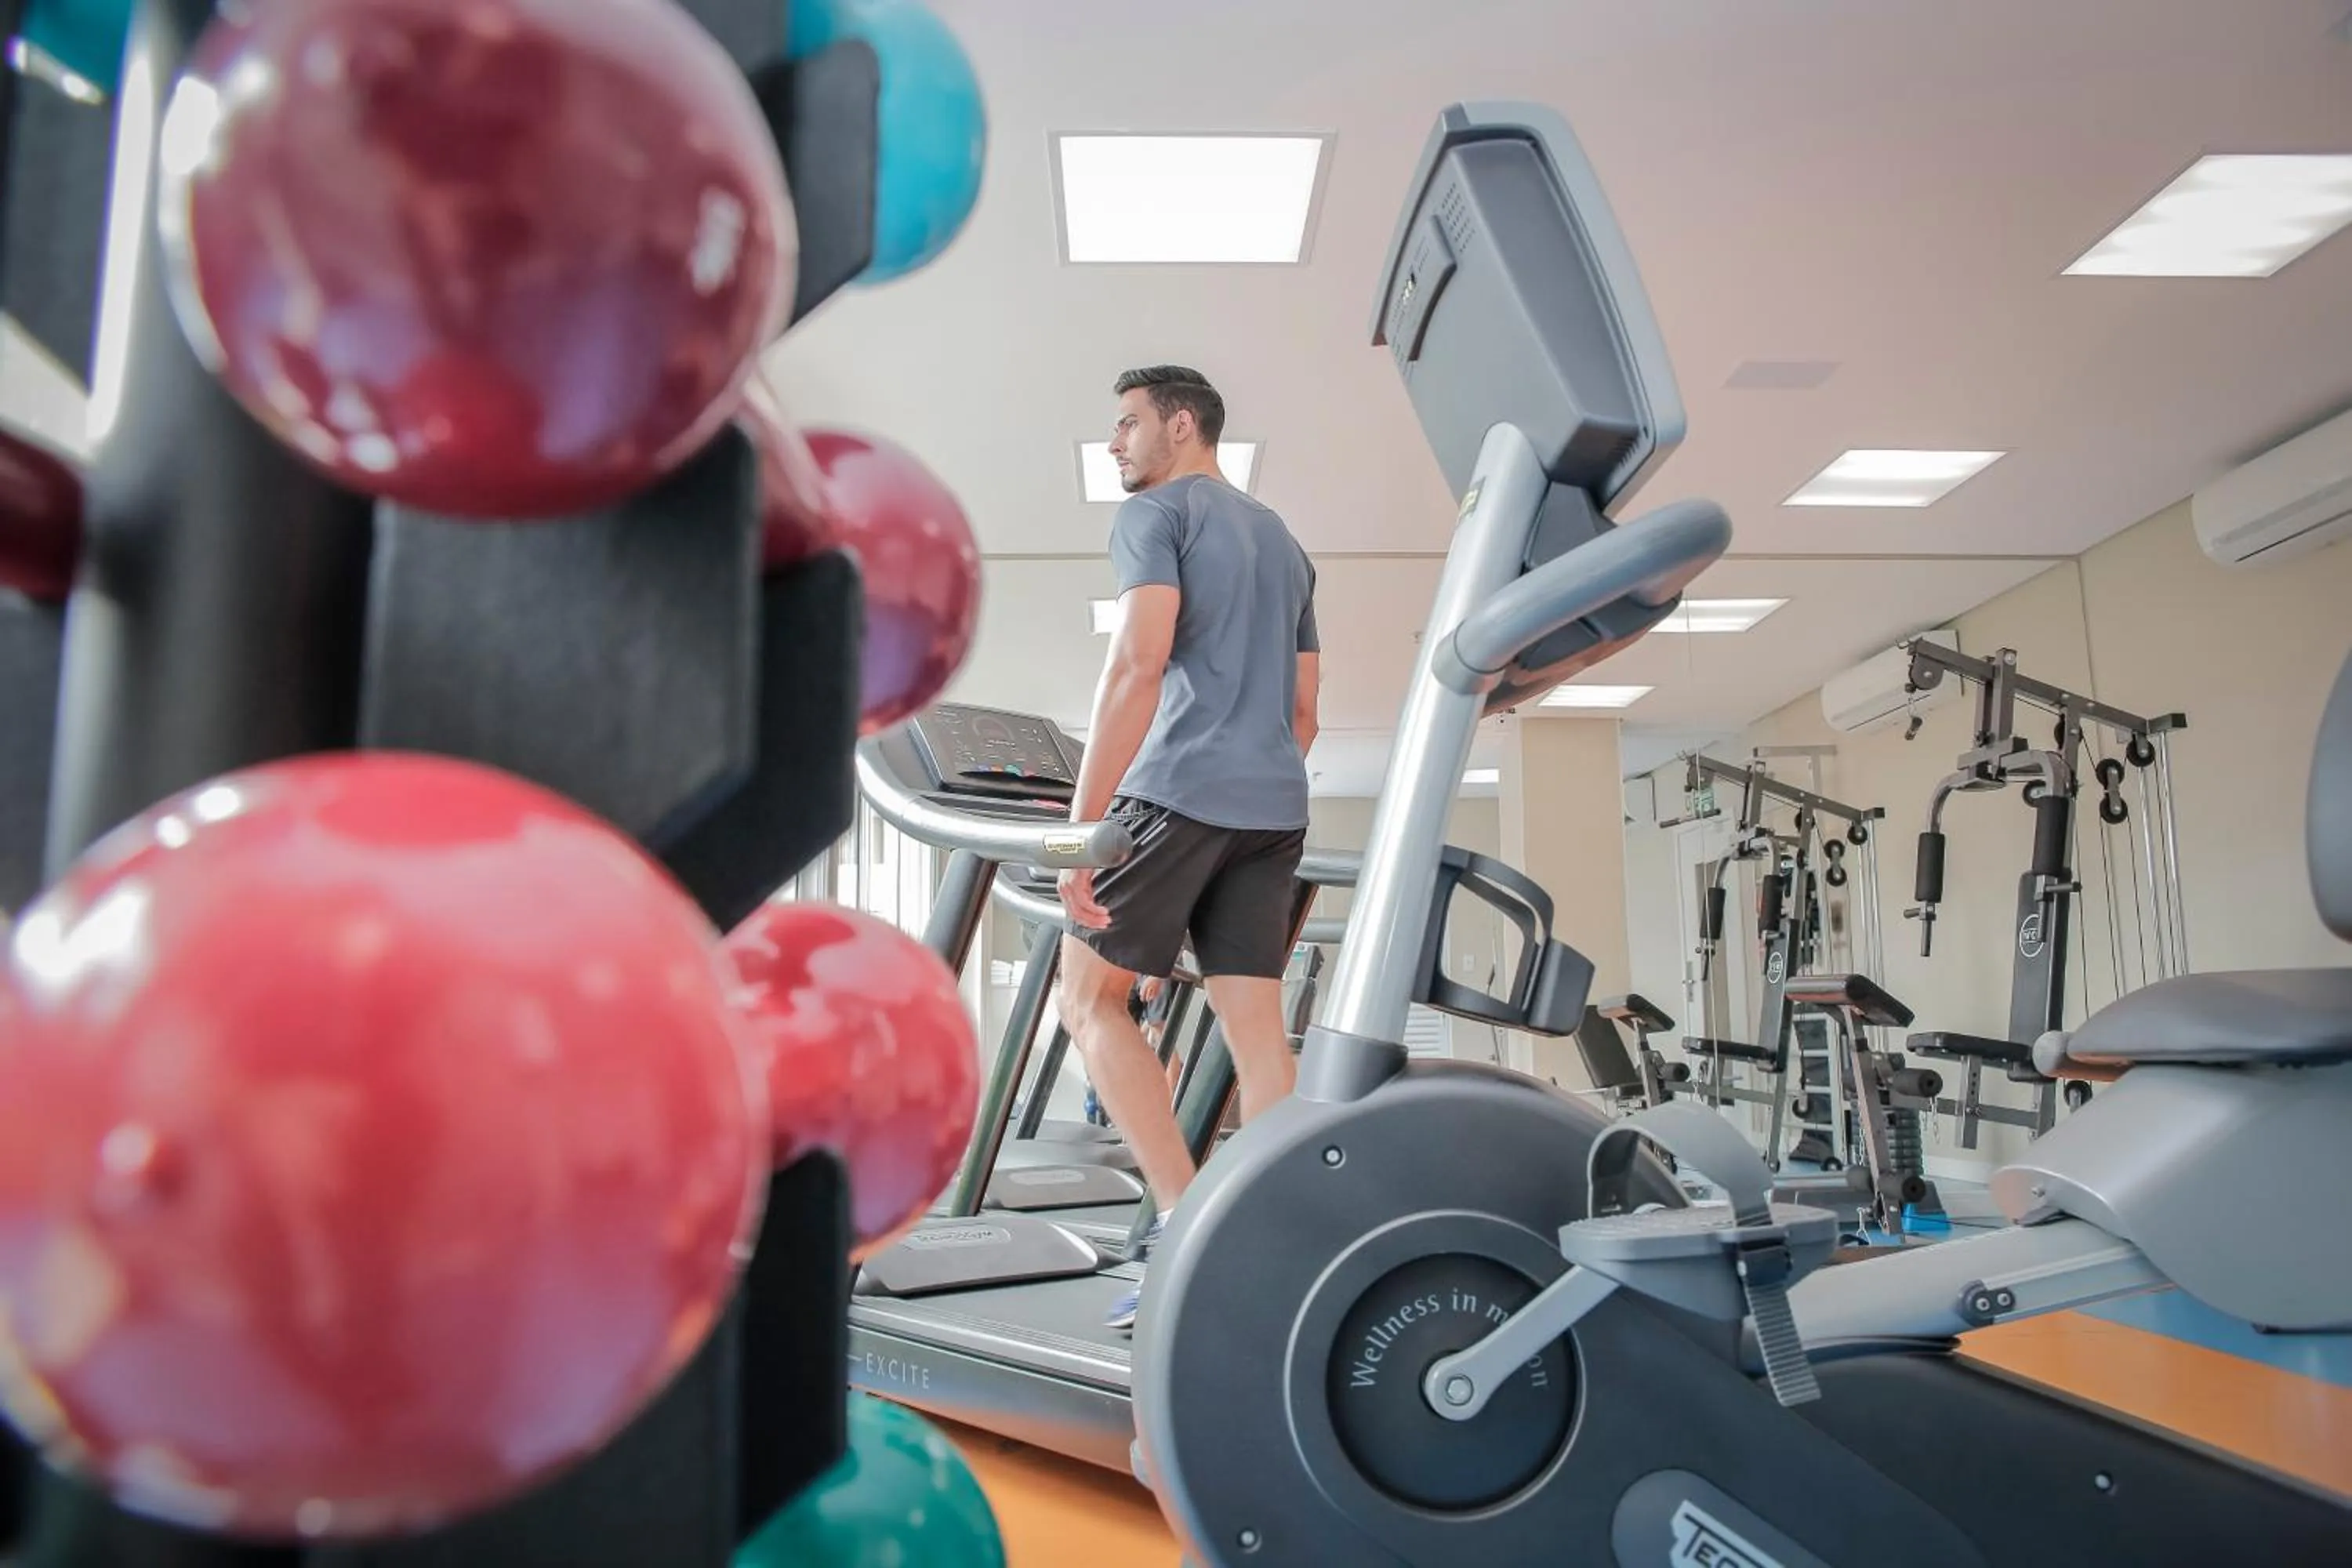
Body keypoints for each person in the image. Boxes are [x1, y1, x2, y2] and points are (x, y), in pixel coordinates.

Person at [1055, 365, 1319, 1330]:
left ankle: (1185, 1221)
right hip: (1274, 807)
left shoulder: (1157, 515)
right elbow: (1304, 711)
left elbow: (1137, 660)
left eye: (1126, 423)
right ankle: (1285, 1238)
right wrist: (1250, 778)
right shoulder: (1286, 546)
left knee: (1087, 1001)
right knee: (1258, 1032)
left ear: (1180, 423)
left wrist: (1086, 832)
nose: (1116, 442)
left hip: (1174, 792)